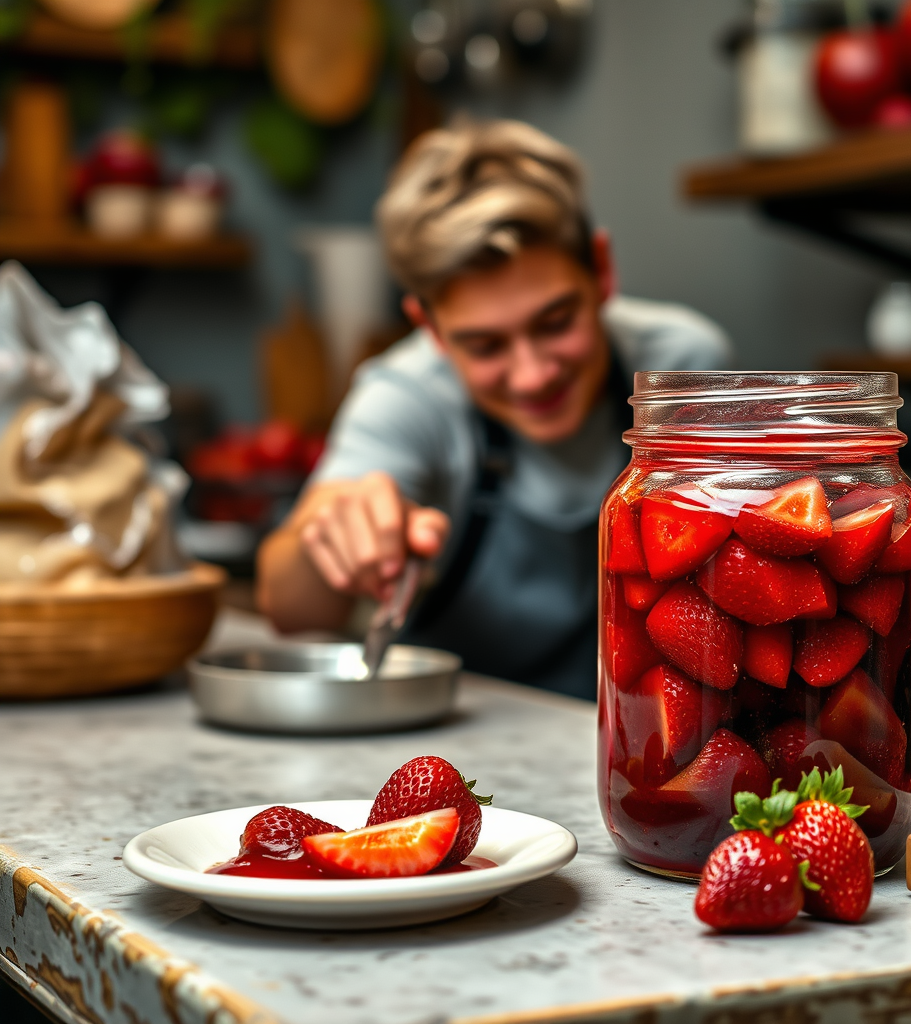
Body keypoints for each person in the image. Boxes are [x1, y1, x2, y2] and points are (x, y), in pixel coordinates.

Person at [257, 119, 730, 699]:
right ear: (430, 328)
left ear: (601, 270)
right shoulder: (406, 398)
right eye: (484, 346)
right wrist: (335, 534)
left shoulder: (682, 369)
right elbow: (288, 607)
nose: (532, 375)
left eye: (556, 322)